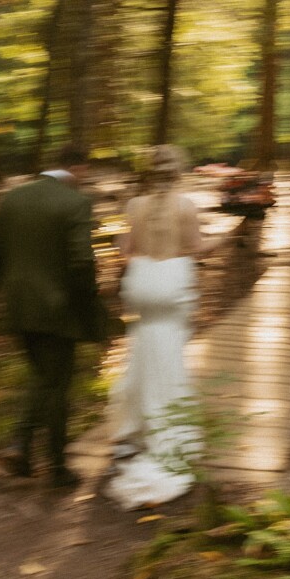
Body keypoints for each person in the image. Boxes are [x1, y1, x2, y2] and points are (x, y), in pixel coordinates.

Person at [104, 144, 226, 510]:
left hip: (142, 287)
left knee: (140, 354)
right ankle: (166, 434)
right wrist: (229, 235)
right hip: (171, 287)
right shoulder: (186, 206)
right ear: (179, 172)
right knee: (169, 360)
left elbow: (127, 249)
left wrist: (119, 245)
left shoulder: (134, 205)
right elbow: (197, 247)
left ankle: (132, 434)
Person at [0, 144, 104, 489]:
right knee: (57, 385)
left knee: (42, 378)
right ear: (78, 168)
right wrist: (89, 303)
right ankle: (55, 467)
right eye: (86, 173)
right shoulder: (75, 202)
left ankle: (20, 449)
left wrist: (4, 286)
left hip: (18, 304)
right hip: (58, 309)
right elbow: (82, 262)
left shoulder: (13, 198)